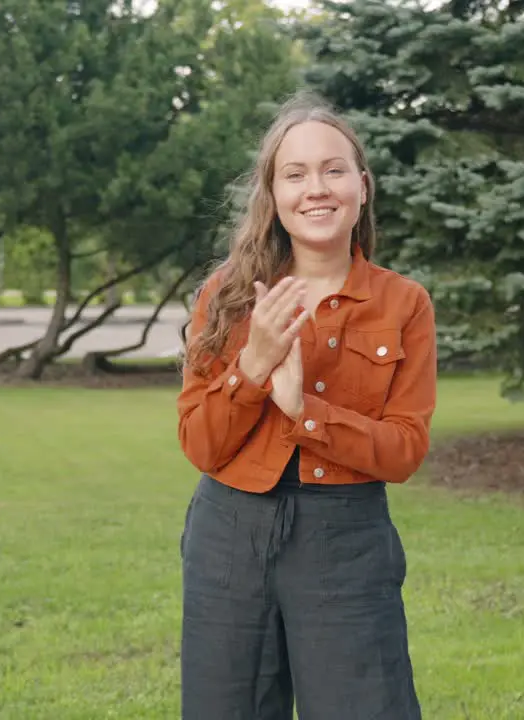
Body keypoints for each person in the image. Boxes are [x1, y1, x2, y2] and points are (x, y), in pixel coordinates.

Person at [175, 90, 437, 720]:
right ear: (274, 194)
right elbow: (201, 444)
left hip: (346, 541)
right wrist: (254, 367)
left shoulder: (404, 304)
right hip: (230, 537)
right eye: (295, 174)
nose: (315, 188)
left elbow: (404, 450)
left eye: (333, 170)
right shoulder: (228, 296)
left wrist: (305, 414)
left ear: (362, 187)